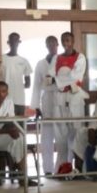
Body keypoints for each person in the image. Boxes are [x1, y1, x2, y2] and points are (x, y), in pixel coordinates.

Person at [50, 32, 88, 175]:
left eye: (68, 40)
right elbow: (50, 76)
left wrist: (59, 80)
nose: (66, 43)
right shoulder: (56, 58)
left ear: (73, 41)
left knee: (77, 131)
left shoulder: (80, 57)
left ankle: (79, 168)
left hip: (75, 96)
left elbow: (75, 76)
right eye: (63, 40)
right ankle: (61, 168)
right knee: (60, 133)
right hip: (59, 97)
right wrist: (60, 79)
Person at [30, 36, 59, 176]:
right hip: (46, 99)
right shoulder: (40, 64)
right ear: (46, 46)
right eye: (49, 44)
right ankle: (47, 169)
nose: (52, 46)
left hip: (60, 99)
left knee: (61, 135)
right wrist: (35, 106)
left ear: (57, 45)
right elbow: (36, 86)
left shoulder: (62, 60)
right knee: (47, 136)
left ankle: (62, 167)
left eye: (54, 44)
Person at [1, 33, 33, 116]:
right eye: (12, 40)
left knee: (19, 125)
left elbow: (28, 84)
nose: (14, 42)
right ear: (8, 42)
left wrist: (16, 85)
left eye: (16, 40)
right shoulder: (1, 59)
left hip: (19, 99)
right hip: (3, 98)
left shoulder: (24, 61)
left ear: (19, 42)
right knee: (4, 125)